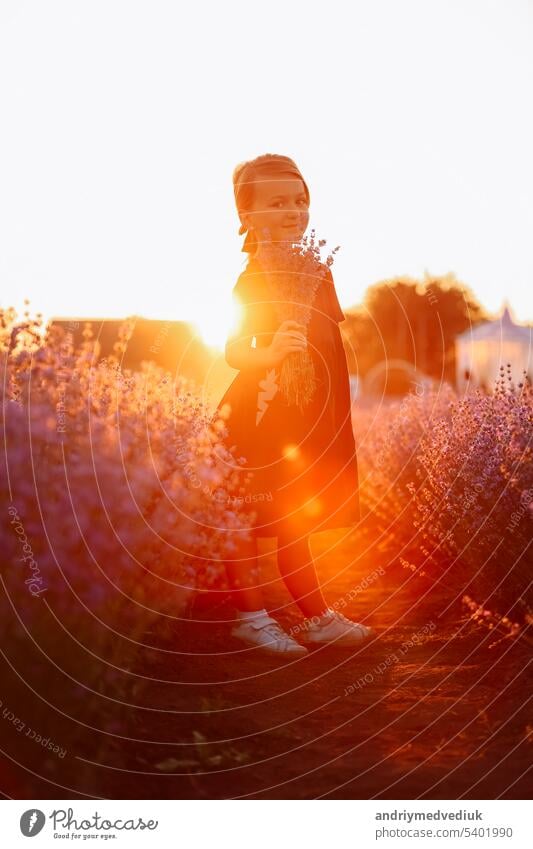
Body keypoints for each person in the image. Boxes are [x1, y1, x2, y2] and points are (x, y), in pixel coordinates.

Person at [214, 153, 375, 655]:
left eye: (300, 201)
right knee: (247, 514)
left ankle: (315, 617)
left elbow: (328, 339)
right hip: (261, 411)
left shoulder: (315, 271)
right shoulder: (254, 278)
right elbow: (233, 349)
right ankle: (251, 615)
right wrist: (269, 355)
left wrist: (331, 403)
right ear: (247, 216)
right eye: (278, 202)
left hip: (310, 412)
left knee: (295, 516)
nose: (293, 211)